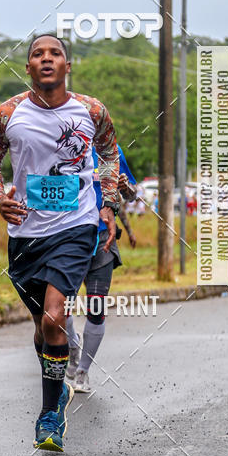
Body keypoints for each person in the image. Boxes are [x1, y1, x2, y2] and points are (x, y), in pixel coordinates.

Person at [0, 34, 119, 452]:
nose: (46, 59)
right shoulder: (8, 113)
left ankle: (50, 417)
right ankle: (56, 385)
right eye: (37, 54)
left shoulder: (92, 110)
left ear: (66, 65)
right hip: (25, 234)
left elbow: (110, 155)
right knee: (43, 328)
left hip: (76, 227)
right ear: (28, 68)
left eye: (54, 53)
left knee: (55, 317)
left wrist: (107, 205)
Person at [66, 145, 137, 393]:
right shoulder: (62, 146)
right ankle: (72, 348)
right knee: (59, 305)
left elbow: (131, 195)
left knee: (96, 306)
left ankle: (83, 370)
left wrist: (125, 187)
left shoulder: (111, 152)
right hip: (67, 238)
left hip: (102, 239)